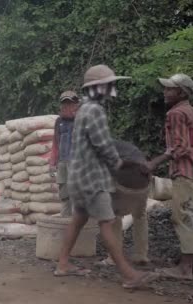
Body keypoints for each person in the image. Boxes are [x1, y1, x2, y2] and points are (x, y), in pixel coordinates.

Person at [54, 64, 158, 289]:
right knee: (107, 222)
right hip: (92, 179)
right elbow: (103, 145)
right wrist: (123, 165)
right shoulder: (95, 111)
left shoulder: (84, 109)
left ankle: (62, 264)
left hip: (78, 177)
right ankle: (129, 274)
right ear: (99, 87)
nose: (112, 87)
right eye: (110, 84)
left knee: (78, 218)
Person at [147, 73, 193, 280]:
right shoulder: (191, 111)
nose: (165, 92)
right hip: (192, 172)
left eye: (169, 89)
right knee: (191, 216)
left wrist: (154, 162)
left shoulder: (176, 113)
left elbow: (180, 147)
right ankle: (187, 264)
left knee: (182, 216)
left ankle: (185, 269)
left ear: (181, 92)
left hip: (185, 172)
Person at [98, 140, 150, 267]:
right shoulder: (125, 146)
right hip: (145, 182)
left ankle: (113, 257)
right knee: (140, 215)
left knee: (114, 216)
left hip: (125, 184)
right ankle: (141, 255)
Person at [50, 90, 81, 216]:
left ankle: (78, 226)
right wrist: (52, 162)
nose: (66, 106)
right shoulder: (59, 122)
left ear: (76, 105)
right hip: (62, 163)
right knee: (64, 194)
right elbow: (55, 143)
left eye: (70, 103)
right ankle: (65, 224)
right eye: (64, 104)